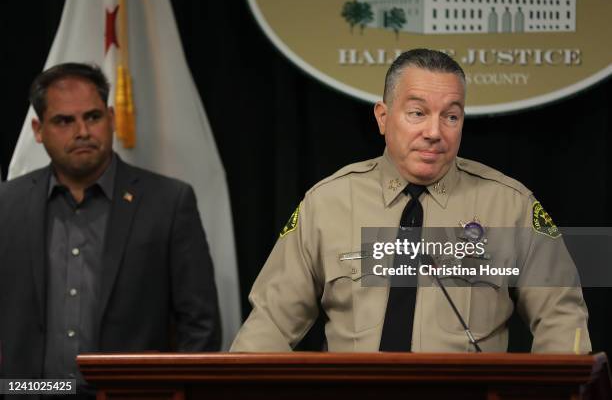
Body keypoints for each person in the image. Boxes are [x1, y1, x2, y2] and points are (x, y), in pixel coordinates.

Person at [231, 49, 591, 353]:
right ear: (383, 118)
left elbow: (562, 321)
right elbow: (270, 326)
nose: (434, 132)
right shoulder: (327, 204)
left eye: (450, 116)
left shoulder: (511, 208)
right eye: (417, 113)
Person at [0, 63, 221, 391]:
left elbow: (200, 325)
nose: (82, 132)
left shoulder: (168, 202)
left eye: (93, 117)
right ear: (38, 129)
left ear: (113, 118)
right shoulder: (7, 204)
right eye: (64, 121)